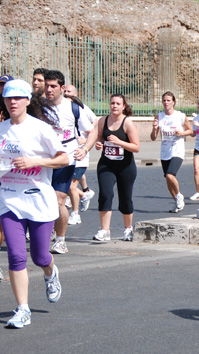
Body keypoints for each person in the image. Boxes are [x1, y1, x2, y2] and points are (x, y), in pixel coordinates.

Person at [0, 79, 69, 328]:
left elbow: (63, 158)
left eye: (18, 98)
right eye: (9, 98)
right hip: (9, 200)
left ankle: (50, 273)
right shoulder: (1, 129)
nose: (13, 102)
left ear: (28, 100)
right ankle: (22, 309)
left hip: (38, 200)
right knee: (16, 257)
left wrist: (35, 162)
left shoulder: (40, 128)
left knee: (40, 257)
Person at [44, 70, 97, 254]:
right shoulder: (39, 107)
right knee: (42, 199)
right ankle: (44, 233)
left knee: (59, 200)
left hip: (66, 158)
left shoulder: (73, 108)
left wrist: (84, 149)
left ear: (62, 87)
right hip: (44, 160)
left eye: (53, 86)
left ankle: (60, 240)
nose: (49, 89)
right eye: (47, 86)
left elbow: (92, 132)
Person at [93, 94, 140, 241]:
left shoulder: (127, 123)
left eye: (118, 104)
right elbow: (99, 136)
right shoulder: (103, 121)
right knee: (105, 195)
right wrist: (99, 143)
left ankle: (128, 229)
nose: (114, 106)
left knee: (125, 198)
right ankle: (105, 230)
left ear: (123, 106)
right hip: (106, 164)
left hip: (125, 166)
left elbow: (136, 147)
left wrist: (119, 142)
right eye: (112, 103)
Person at [150, 91, 192, 213]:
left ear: (173, 102)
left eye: (168, 100)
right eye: (164, 100)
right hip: (165, 151)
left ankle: (179, 195)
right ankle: (177, 202)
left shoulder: (180, 116)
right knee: (168, 179)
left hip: (177, 150)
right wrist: (154, 128)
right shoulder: (159, 116)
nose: (166, 102)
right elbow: (153, 137)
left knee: (170, 175)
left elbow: (191, 131)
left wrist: (182, 133)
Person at [63, 84, 98, 225]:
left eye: (69, 93)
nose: (67, 95)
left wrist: (86, 140)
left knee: (71, 186)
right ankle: (84, 194)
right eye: (65, 93)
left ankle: (75, 213)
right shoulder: (60, 110)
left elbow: (94, 123)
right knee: (63, 186)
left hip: (80, 154)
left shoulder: (80, 108)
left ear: (76, 94)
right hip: (66, 155)